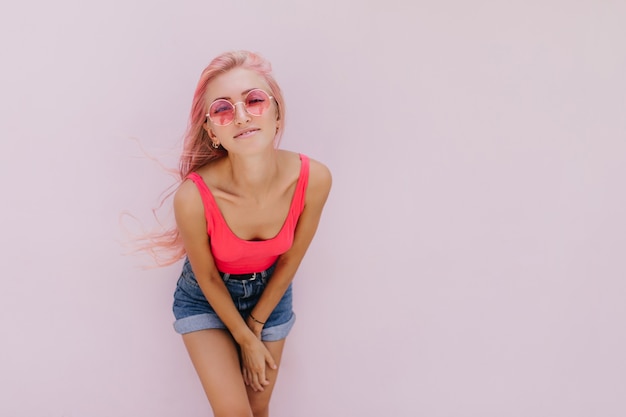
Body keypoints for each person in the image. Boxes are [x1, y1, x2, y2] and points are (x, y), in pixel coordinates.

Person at [169, 50, 331, 417]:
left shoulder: (314, 179)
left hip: (272, 295)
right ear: (211, 131)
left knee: (258, 409)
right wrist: (245, 339)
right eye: (223, 109)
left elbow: (291, 258)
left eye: (254, 100)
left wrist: (256, 323)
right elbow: (207, 276)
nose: (241, 116)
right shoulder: (193, 197)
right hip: (205, 299)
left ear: (277, 113)